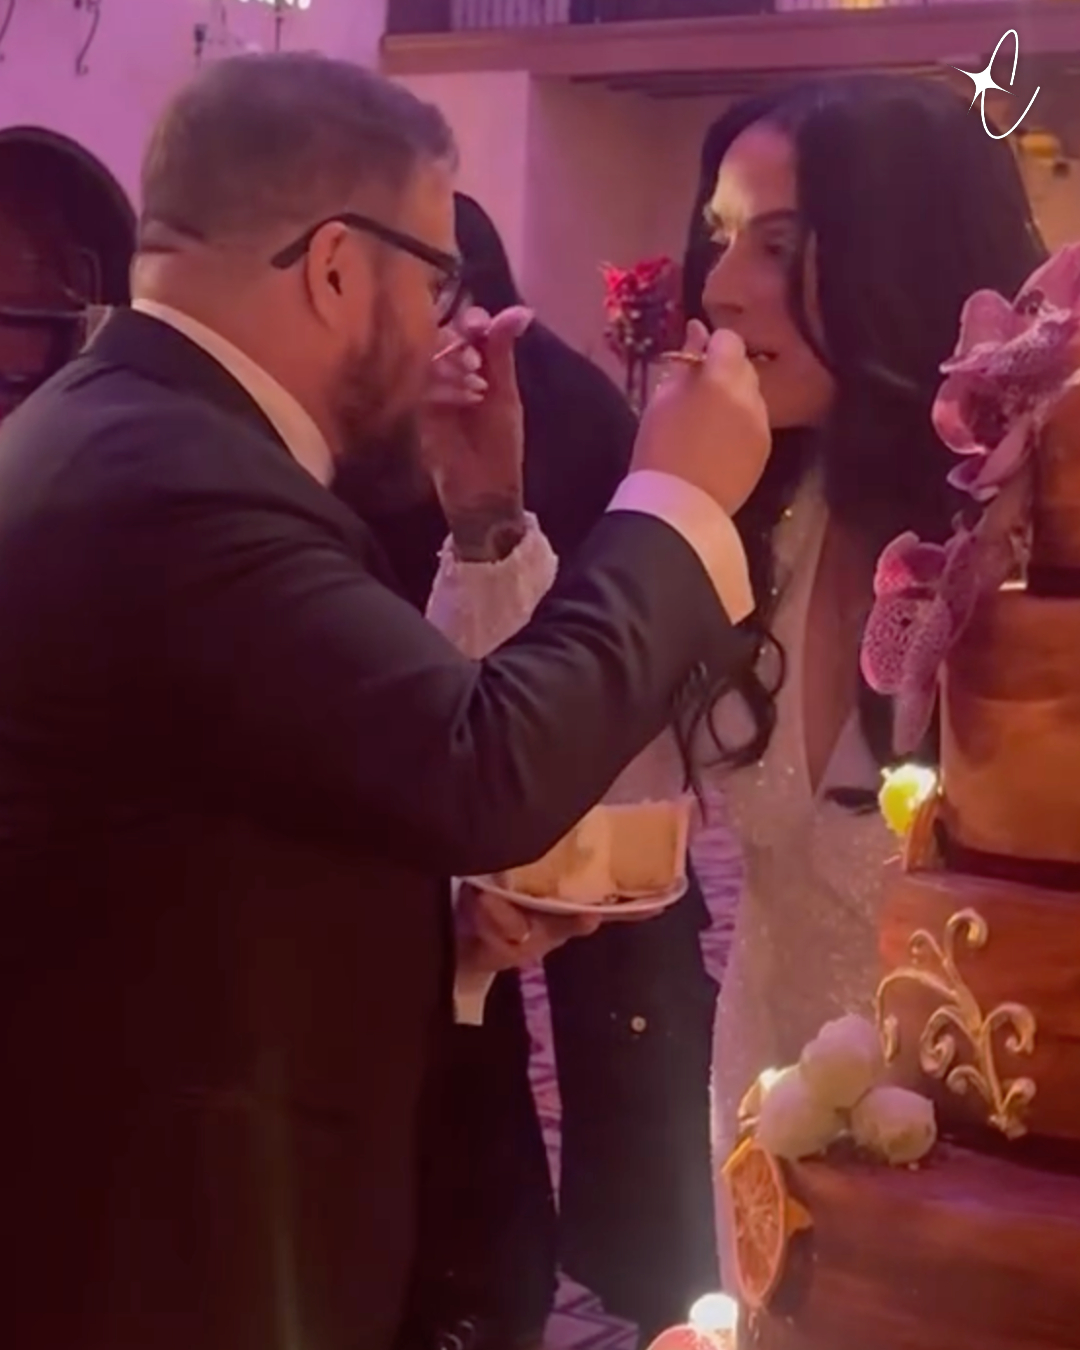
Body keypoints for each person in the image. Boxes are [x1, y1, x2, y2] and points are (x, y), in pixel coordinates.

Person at [0, 53, 771, 1350]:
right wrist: (676, 498)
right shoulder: (179, 481)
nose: (443, 326)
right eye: (432, 279)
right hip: (170, 1254)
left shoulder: (130, 430)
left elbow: (239, 795)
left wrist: (482, 516)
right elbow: (484, 764)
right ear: (338, 266)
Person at [451, 72, 1047, 1285]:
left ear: (900, 255)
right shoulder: (773, 520)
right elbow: (582, 772)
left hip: (1009, 1172)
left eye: (779, 244)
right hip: (768, 1112)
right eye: (721, 238)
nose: (718, 287)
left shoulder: (1030, 552)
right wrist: (489, 518)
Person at [338, 192, 720, 1349]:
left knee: (617, 1027)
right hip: (506, 780)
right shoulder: (407, 404)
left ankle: (634, 1257)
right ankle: (624, 1254)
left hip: (581, 760)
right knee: (535, 1035)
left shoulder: (543, 397)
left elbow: (584, 628)